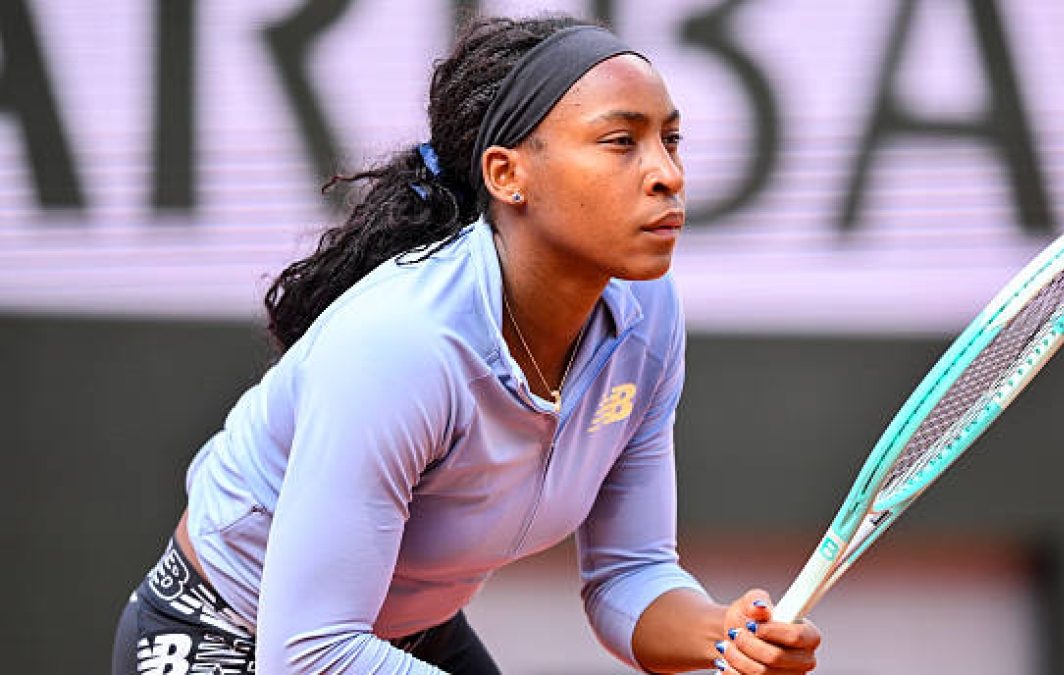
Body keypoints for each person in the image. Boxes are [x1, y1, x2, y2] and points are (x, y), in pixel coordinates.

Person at [111, 14, 822, 675]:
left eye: (671, 138)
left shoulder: (647, 315)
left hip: (396, 636)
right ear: (507, 174)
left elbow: (630, 572)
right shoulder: (402, 344)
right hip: (230, 633)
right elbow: (309, 654)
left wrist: (725, 632)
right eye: (620, 141)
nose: (667, 172)